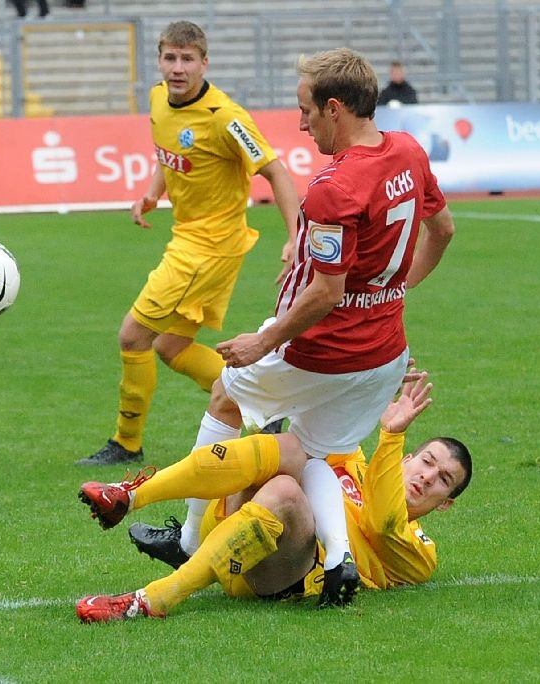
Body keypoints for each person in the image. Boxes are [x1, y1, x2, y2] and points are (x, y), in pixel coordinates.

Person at [114, 46, 456, 605]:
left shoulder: (334, 185)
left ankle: (190, 537)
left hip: (325, 345)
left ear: (335, 109)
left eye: (306, 111)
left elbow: (327, 291)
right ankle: (339, 558)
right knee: (311, 452)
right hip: (384, 348)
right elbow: (441, 230)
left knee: (226, 393)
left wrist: (264, 339)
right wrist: (394, 289)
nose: (300, 124)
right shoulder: (409, 152)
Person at [75, 370, 472, 621]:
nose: (426, 476)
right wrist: (370, 377)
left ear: (446, 502)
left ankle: (155, 598)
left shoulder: (420, 552)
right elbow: (322, 417)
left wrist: (391, 433)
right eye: (426, 461)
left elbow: (382, 521)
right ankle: (134, 499)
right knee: (236, 400)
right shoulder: (355, 464)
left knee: (285, 487)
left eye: (442, 479)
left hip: (282, 576)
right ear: (408, 459)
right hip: (234, 524)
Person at [77, 21, 299, 466]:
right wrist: (153, 193)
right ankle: (267, 411)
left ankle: (126, 443)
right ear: (159, 60)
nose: (177, 68)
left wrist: (296, 236)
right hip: (191, 240)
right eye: (170, 58)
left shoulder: (225, 117)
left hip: (209, 248)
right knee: (170, 347)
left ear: (204, 63)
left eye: (187, 59)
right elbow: (168, 155)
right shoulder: (159, 99)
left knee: (133, 335)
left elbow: (275, 172)